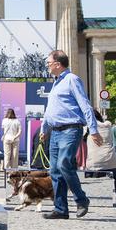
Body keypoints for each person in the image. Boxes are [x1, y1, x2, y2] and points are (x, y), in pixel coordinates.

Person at [41, 50, 101, 220]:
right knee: (55, 171)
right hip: (55, 132)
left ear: (58, 64)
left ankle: (81, 200)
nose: (47, 66)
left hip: (71, 129)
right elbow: (50, 110)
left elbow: (85, 105)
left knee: (64, 164)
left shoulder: (72, 80)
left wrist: (93, 129)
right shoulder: (55, 83)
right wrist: (44, 129)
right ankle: (61, 209)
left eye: (49, 62)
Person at [87, 109, 116, 205]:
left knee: (88, 170)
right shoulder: (108, 126)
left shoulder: (87, 127)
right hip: (110, 159)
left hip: (93, 161)